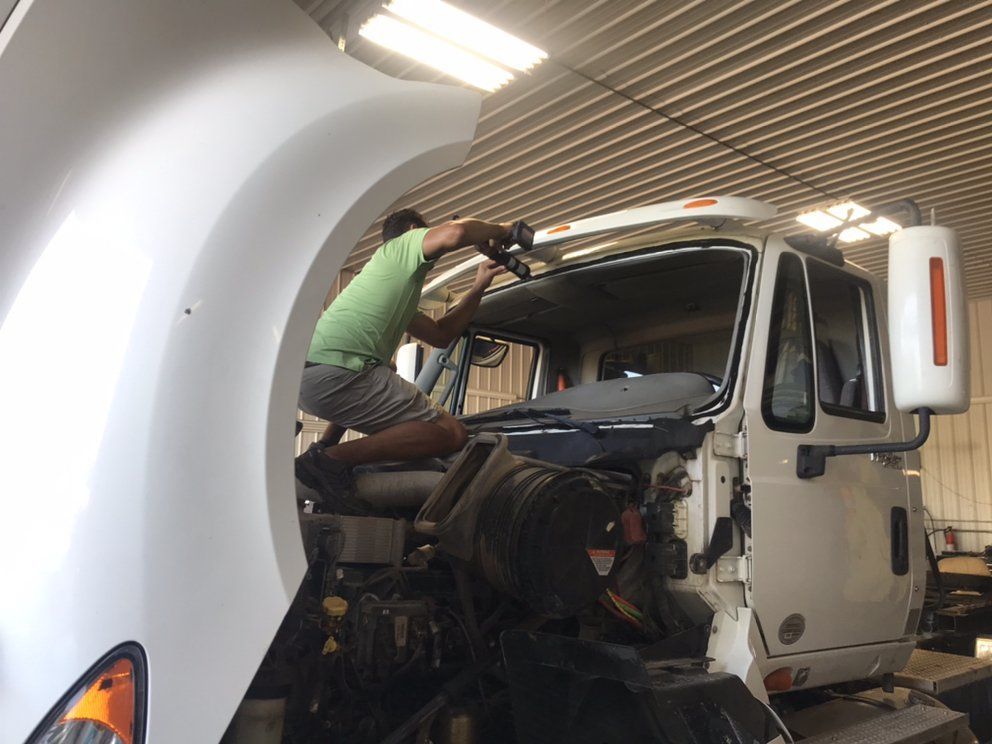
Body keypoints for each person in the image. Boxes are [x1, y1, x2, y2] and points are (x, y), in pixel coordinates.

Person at [296, 208, 512, 501]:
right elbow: (456, 233)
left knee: (391, 374)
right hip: (339, 373)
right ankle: (326, 462)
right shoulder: (396, 250)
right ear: (413, 230)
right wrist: (502, 229)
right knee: (451, 434)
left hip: (313, 382)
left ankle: (324, 448)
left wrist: (477, 288)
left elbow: (440, 335)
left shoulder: (393, 287)